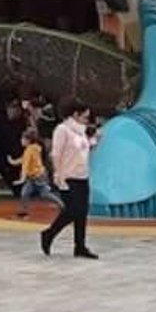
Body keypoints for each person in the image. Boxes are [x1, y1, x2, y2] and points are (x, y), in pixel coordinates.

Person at [40, 102, 97, 259]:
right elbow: (56, 154)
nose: (87, 119)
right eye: (84, 116)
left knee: (82, 212)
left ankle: (80, 246)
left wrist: (94, 140)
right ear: (75, 115)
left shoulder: (81, 132)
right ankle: (49, 233)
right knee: (73, 210)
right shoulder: (62, 130)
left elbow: (84, 150)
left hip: (82, 176)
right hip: (68, 176)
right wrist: (57, 174)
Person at [11, 129, 62, 218]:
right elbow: (23, 160)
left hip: (38, 176)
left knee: (44, 194)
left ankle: (62, 205)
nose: (21, 141)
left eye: (22, 139)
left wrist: (21, 179)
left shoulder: (30, 150)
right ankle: (23, 212)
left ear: (28, 140)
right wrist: (13, 162)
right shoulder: (33, 148)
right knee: (25, 193)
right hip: (34, 176)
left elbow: (25, 166)